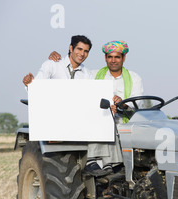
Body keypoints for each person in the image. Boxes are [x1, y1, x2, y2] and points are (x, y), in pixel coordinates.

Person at [47, 40, 144, 176]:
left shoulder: (134, 78)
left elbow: (136, 103)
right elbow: (71, 81)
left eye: (117, 57)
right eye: (110, 57)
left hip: (125, 120)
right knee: (103, 121)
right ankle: (97, 162)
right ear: (105, 58)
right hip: (100, 118)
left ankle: (118, 166)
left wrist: (122, 103)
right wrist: (57, 62)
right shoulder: (93, 75)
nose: (113, 60)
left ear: (123, 58)